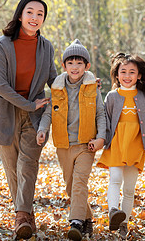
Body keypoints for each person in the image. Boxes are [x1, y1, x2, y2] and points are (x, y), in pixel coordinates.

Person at [0, 0, 57, 240]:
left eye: (40, 14)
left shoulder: (46, 47)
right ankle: (26, 216)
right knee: (12, 168)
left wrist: (82, 83)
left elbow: (55, 81)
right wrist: (27, 104)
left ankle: (20, 217)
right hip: (5, 112)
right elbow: (1, 87)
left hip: (35, 114)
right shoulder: (3, 45)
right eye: (30, 12)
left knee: (27, 165)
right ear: (20, 15)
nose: (35, 17)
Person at [97, 53, 145, 239]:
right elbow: (103, 120)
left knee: (129, 189)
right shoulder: (111, 96)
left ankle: (123, 224)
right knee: (115, 178)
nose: (127, 75)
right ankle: (113, 211)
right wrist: (100, 139)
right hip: (116, 143)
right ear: (116, 75)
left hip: (135, 145)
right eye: (122, 71)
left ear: (139, 75)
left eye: (132, 72)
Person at [36, 39, 107, 241]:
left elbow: (100, 113)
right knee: (71, 186)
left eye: (79, 63)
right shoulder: (57, 88)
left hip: (86, 144)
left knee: (79, 183)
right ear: (64, 65)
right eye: (70, 63)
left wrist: (101, 137)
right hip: (64, 145)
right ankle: (87, 219)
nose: (75, 67)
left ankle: (75, 222)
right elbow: (49, 113)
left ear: (87, 66)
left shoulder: (92, 87)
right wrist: (42, 130)